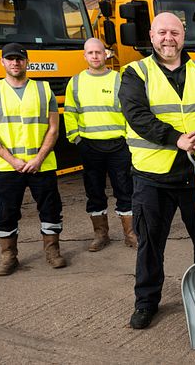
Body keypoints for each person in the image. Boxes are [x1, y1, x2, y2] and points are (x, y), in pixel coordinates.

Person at [118, 12, 195, 329]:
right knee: (150, 244)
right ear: (152, 36)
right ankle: (146, 302)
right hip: (154, 178)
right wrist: (175, 139)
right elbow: (136, 115)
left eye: (175, 32)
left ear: (184, 36)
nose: (169, 38)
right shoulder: (135, 73)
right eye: (162, 32)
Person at [0, 43, 66, 276]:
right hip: (8, 166)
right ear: (2, 62)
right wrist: (13, 161)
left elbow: (54, 129)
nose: (15, 62)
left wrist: (38, 159)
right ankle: (9, 256)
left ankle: (52, 251)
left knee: (50, 209)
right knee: (5, 212)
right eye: (10, 59)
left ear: (27, 62)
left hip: (42, 163)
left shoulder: (43, 89)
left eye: (19, 58)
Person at [64, 38, 136, 252]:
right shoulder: (75, 82)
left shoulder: (119, 79)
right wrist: (76, 138)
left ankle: (130, 234)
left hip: (118, 146)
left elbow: (128, 111)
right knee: (94, 192)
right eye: (90, 53)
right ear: (84, 56)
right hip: (90, 147)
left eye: (98, 52)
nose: (95, 56)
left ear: (106, 54)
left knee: (125, 190)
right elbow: (70, 112)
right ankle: (100, 235)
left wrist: (128, 139)